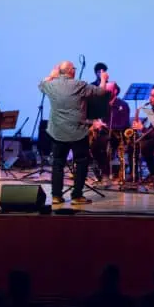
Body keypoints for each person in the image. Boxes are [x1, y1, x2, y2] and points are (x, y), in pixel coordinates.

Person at [39, 61, 108, 204]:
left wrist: (51, 76)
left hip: (58, 132)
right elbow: (101, 92)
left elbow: (41, 84)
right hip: (77, 131)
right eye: (74, 68)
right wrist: (103, 79)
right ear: (71, 71)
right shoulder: (80, 85)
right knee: (81, 163)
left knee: (57, 164)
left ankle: (56, 196)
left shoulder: (51, 85)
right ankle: (77, 196)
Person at [89, 81, 130, 182]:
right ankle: (98, 168)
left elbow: (124, 124)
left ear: (115, 91)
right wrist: (96, 123)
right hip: (104, 133)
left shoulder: (123, 105)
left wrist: (106, 125)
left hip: (117, 135)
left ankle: (105, 172)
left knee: (101, 143)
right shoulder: (103, 104)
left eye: (108, 90)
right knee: (91, 143)